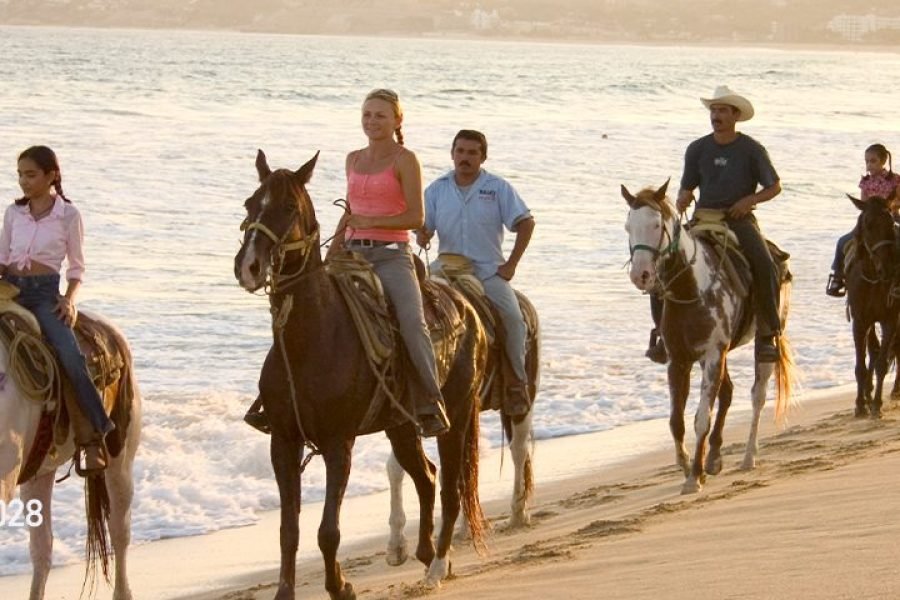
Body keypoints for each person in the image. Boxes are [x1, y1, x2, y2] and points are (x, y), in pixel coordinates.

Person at [0, 145, 114, 471]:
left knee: (69, 356)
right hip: (8, 289)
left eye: (31, 174)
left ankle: (93, 437)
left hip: (43, 295)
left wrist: (70, 300)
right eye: (20, 174)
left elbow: (77, 268)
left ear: (51, 175)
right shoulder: (13, 213)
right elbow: (2, 256)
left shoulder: (68, 215)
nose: (24, 181)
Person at [650, 85, 782, 364]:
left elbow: (774, 187)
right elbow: (687, 186)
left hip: (739, 220)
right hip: (703, 218)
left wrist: (748, 200)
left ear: (736, 115)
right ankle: (662, 333)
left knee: (766, 264)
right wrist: (683, 197)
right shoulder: (697, 148)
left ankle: (768, 335)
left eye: (722, 110)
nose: (716, 115)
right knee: (662, 264)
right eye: (713, 110)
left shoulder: (751, 150)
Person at [417, 130, 535, 416]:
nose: (465, 158)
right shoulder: (436, 189)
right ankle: (418, 382)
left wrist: (511, 265)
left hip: (486, 270)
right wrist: (421, 234)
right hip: (445, 267)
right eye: (460, 151)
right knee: (413, 310)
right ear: (452, 153)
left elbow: (526, 223)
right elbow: (424, 227)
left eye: (472, 153)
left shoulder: (497, 188)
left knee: (513, 319)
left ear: (483, 156)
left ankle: (516, 383)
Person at [826, 143, 900, 297]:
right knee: (842, 241)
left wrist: (891, 205)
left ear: (883, 161)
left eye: (873, 161)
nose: (869, 165)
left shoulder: (895, 180)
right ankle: (838, 277)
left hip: (890, 218)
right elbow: (864, 203)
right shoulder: (866, 182)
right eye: (867, 161)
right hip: (870, 221)